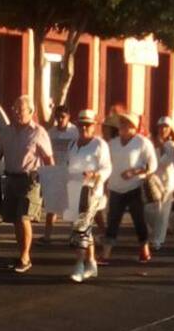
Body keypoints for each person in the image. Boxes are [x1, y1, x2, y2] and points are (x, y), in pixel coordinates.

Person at [0, 95, 53, 273]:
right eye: (14, 109)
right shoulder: (6, 131)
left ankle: (25, 257)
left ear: (31, 112)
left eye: (20, 109)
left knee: (23, 218)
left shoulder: (38, 133)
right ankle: (22, 253)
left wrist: (51, 181)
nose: (16, 112)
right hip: (11, 179)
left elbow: (48, 159)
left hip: (30, 181)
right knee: (15, 220)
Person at [101, 109, 157, 264]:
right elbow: (106, 164)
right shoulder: (112, 144)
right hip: (115, 188)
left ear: (134, 127)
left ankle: (144, 248)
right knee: (112, 221)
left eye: (126, 123)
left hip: (134, 188)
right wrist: (104, 185)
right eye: (121, 123)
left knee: (139, 220)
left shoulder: (142, 143)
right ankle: (106, 254)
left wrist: (135, 171)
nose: (123, 126)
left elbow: (152, 165)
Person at [66, 109, 111, 283]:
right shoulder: (72, 144)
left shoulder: (100, 145)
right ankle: (91, 262)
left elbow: (107, 168)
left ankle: (79, 264)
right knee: (83, 229)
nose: (84, 128)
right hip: (73, 190)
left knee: (81, 228)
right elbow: (68, 166)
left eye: (88, 125)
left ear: (93, 126)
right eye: (81, 125)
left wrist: (94, 175)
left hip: (91, 192)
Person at [43, 105, 79, 244]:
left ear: (68, 117)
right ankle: (47, 236)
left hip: (71, 172)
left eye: (62, 117)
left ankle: (74, 236)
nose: (60, 120)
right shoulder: (51, 133)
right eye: (57, 117)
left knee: (71, 205)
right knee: (52, 205)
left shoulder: (75, 132)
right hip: (55, 172)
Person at [147, 117, 174, 251]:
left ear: (170, 129)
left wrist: (161, 146)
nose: (163, 129)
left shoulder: (172, 145)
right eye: (160, 127)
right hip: (153, 181)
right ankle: (158, 230)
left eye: (166, 127)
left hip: (167, 182)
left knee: (162, 211)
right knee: (149, 210)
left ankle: (158, 240)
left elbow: (165, 162)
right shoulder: (150, 143)